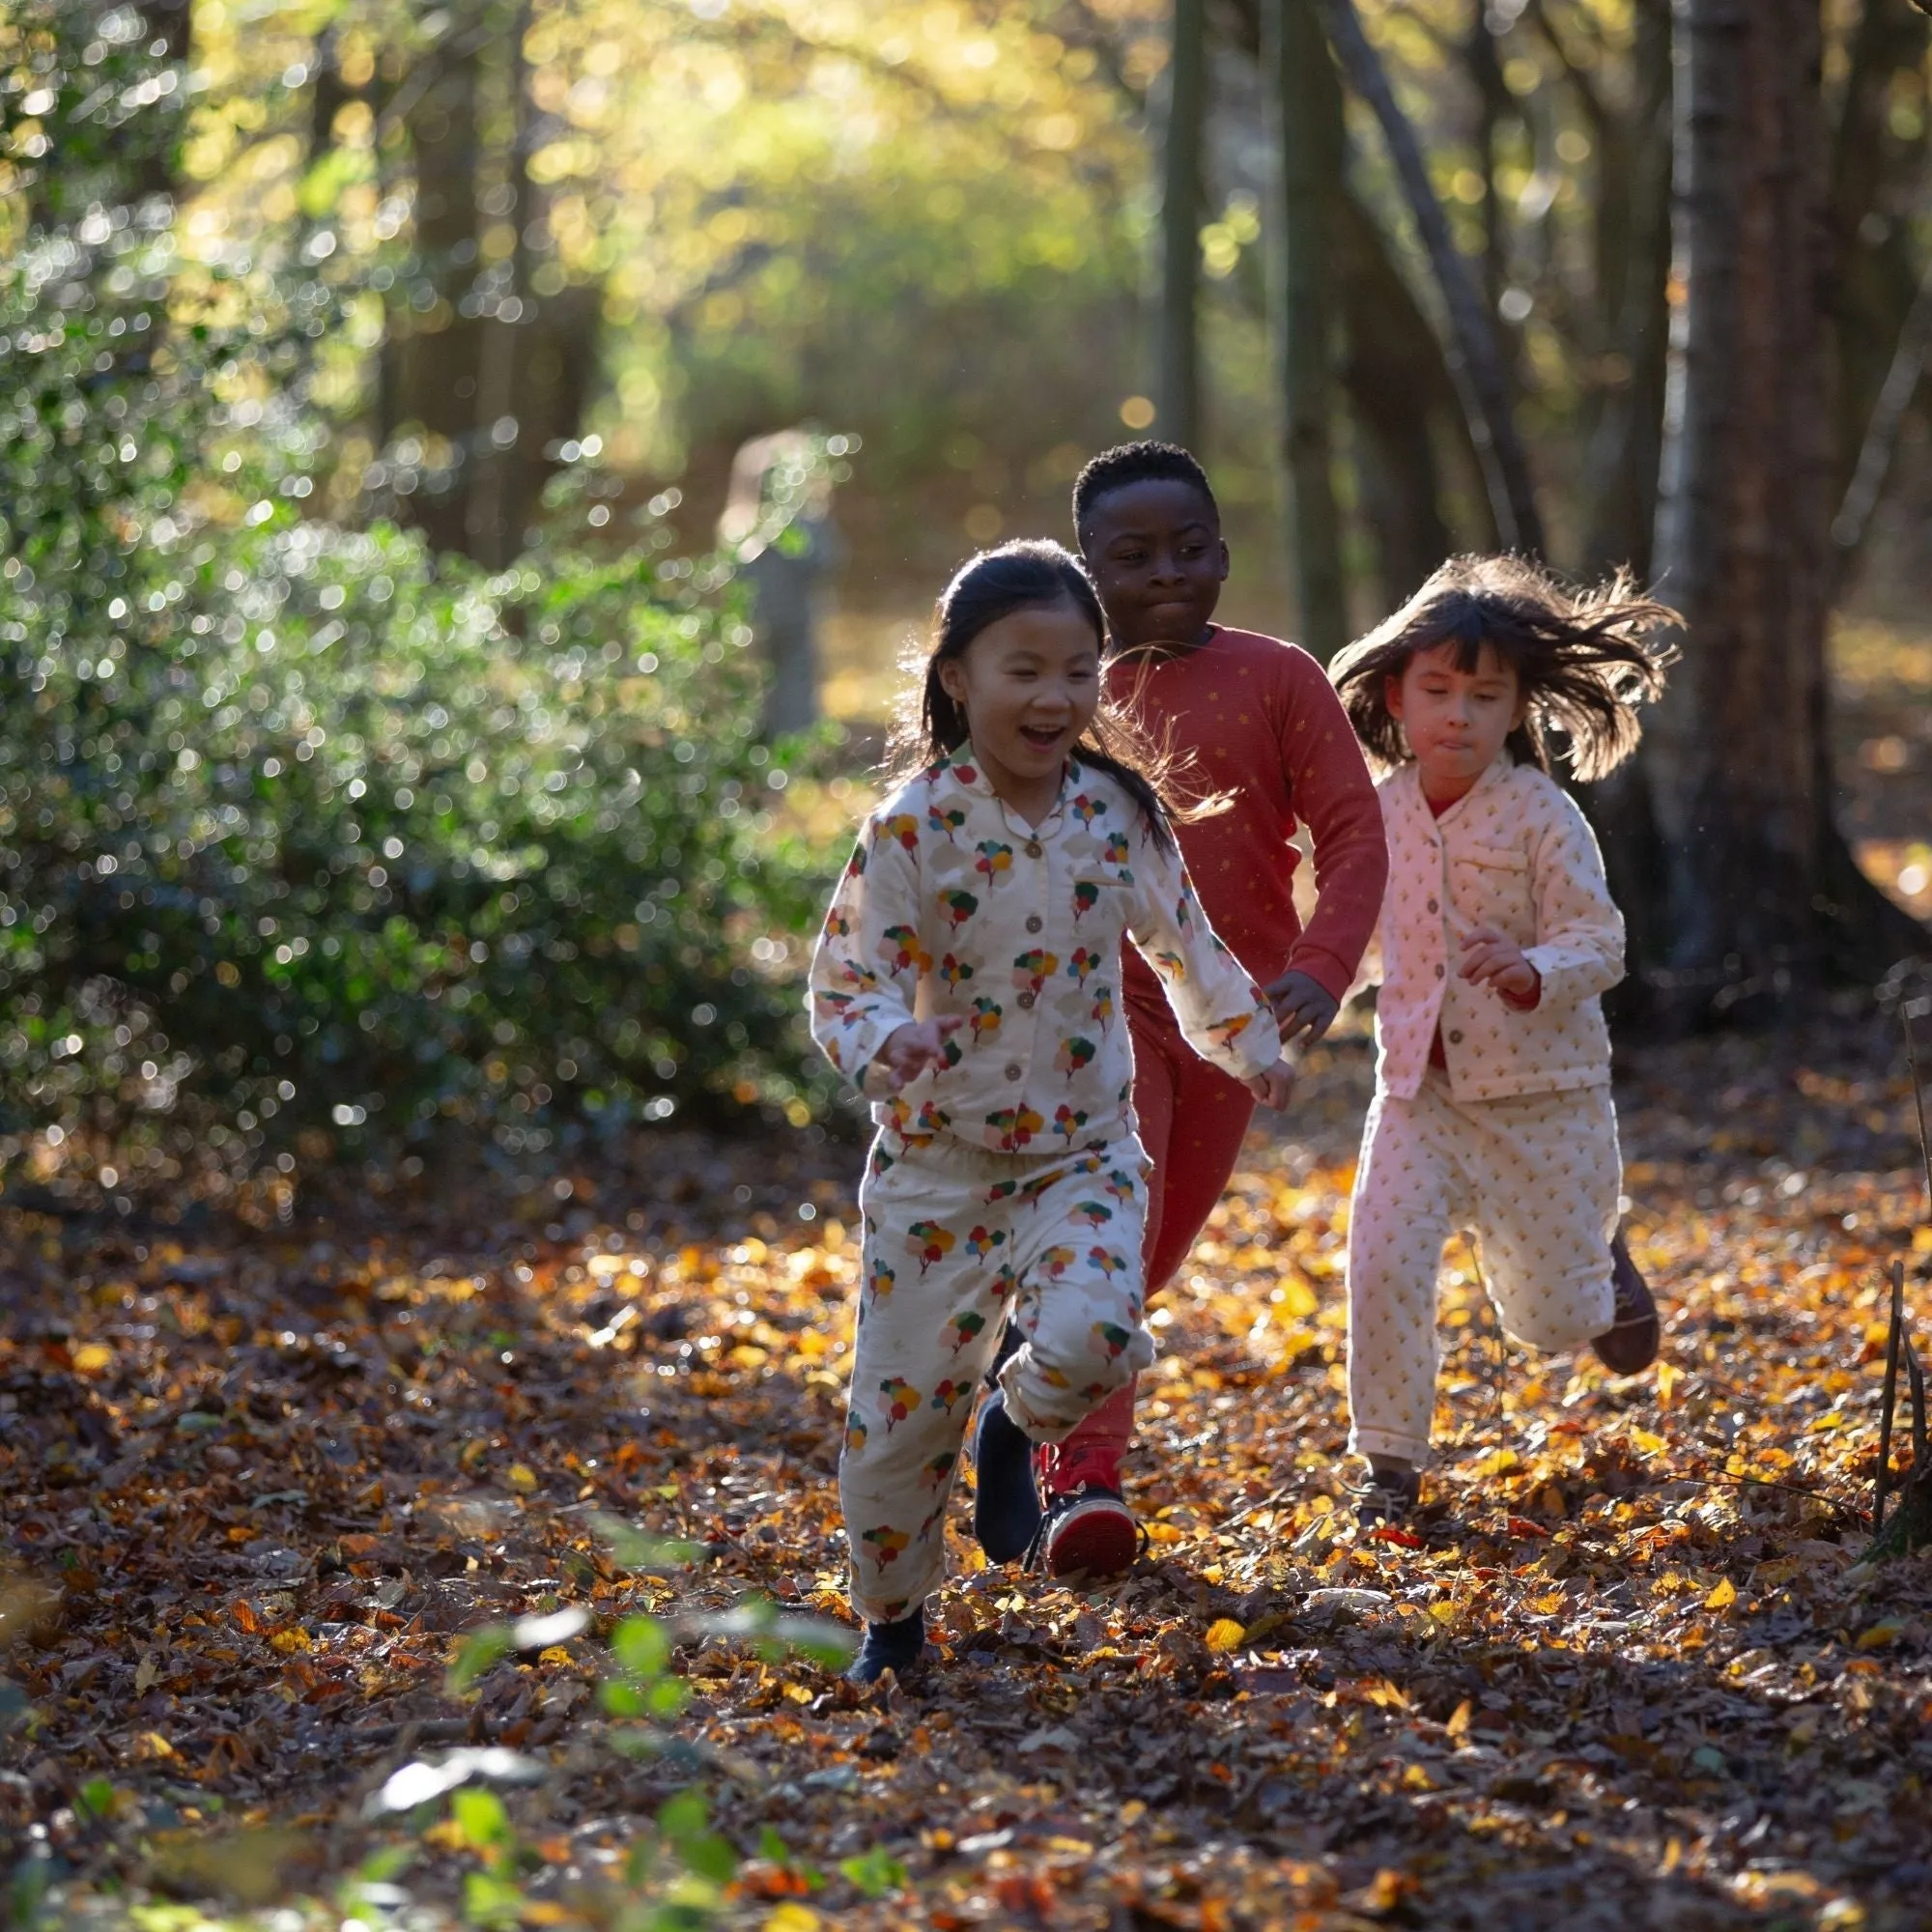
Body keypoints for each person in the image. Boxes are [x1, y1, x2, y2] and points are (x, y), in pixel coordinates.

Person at [808, 540, 1295, 1683]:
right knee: (892, 1429)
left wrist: (1249, 1043)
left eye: (1078, 671)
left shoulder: (1112, 813)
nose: (1054, 697)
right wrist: (892, 1038)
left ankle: (1009, 1428)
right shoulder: (912, 826)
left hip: (1082, 1151)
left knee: (1095, 1329)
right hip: (937, 1166)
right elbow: (845, 979)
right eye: (1023, 669)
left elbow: (1187, 941)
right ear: (956, 677)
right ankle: (892, 1620)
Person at [992, 441, 1387, 1580]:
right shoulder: (1065, 685)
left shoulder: (1277, 677)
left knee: (1148, 1255)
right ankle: (1085, 1489)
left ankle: (1019, 1394)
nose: (1165, 570)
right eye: (1131, 555)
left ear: (1222, 551)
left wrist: (1319, 966)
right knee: (1110, 1249)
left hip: (1232, 1015)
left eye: (1188, 547)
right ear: (1085, 567)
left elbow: (1354, 836)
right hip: (1089, 1006)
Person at [1327, 554, 1676, 1523]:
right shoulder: (1377, 810)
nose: (1457, 715)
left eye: (1484, 696)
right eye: (1436, 690)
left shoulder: (1539, 811)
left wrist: (1532, 969)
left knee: (1546, 1321)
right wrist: (1296, 999)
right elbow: (1345, 931)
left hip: (1542, 1095)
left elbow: (1598, 937)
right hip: (1414, 1095)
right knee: (1381, 1261)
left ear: (1516, 704)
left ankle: (1600, 1264)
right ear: (1394, 692)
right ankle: (1387, 1465)